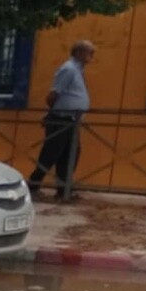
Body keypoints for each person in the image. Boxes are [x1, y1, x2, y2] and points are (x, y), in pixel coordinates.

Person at [29, 40, 95, 200]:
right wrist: (55, 111)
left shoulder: (78, 70)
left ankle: (63, 189)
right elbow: (53, 94)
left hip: (71, 119)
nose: (92, 56)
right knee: (51, 152)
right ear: (78, 52)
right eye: (90, 52)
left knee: (70, 153)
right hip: (61, 118)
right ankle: (33, 186)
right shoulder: (69, 69)